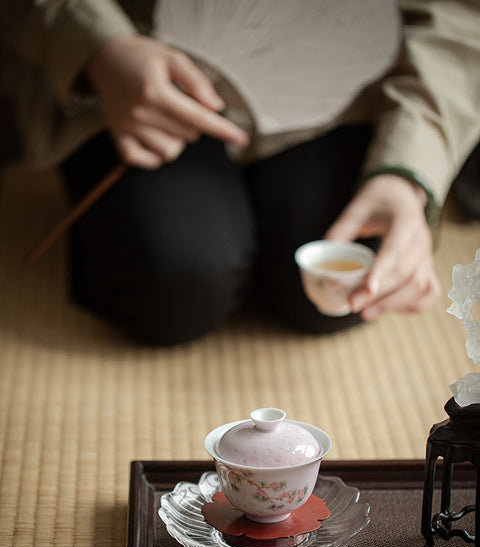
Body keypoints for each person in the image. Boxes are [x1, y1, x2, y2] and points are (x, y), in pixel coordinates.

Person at [1, 1, 480, 345]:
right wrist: (98, 46)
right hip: (140, 65)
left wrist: (407, 174)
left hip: (334, 87)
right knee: (173, 287)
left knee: (341, 285)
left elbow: (458, 18)